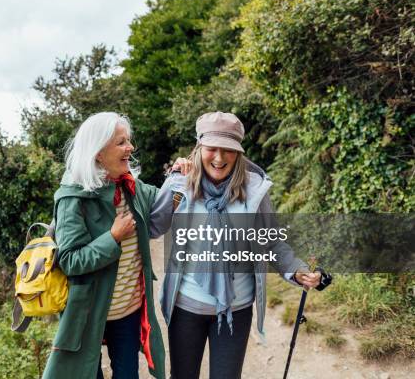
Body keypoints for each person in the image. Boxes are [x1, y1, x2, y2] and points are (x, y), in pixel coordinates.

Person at [150, 111, 321, 379]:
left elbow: (271, 240)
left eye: (228, 150)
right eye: (212, 149)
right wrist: (173, 187)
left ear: (239, 153)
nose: (219, 158)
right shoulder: (180, 184)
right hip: (186, 307)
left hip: (236, 308)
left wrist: (295, 270)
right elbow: (153, 226)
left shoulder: (254, 191)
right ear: (199, 148)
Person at [42, 112, 189, 379]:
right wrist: (112, 238)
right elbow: (71, 261)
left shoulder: (130, 187)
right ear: (98, 152)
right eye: (121, 142)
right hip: (88, 312)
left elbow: (162, 206)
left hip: (128, 312)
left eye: (128, 141)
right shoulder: (72, 199)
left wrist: (178, 175)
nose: (130, 148)